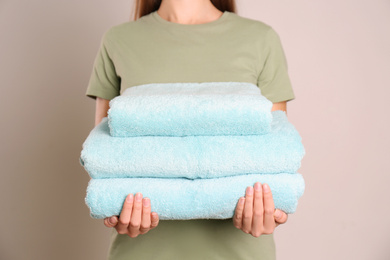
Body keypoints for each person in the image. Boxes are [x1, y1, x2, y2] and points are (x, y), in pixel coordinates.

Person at [85, 0, 295, 259]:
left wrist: (269, 212)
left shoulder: (261, 39)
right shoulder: (118, 40)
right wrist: (116, 209)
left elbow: (274, 159)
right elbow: (105, 161)